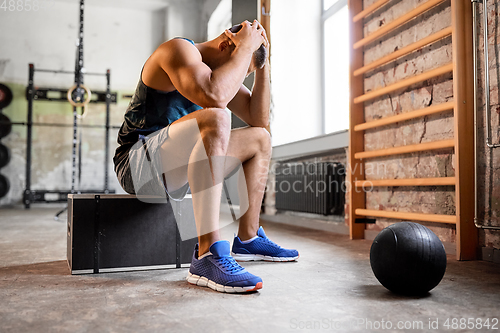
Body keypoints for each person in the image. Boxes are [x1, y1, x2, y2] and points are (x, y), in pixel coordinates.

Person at [113, 20, 298, 293]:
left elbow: (259, 120)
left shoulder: (219, 73)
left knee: (260, 138)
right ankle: (207, 255)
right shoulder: (178, 50)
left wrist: (262, 64)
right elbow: (213, 95)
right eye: (240, 63)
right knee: (217, 116)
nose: (238, 78)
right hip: (137, 166)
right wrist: (246, 48)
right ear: (226, 45)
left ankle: (248, 238)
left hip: (178, 168)